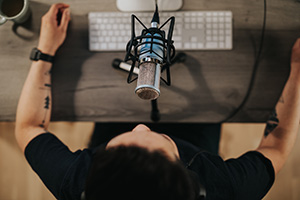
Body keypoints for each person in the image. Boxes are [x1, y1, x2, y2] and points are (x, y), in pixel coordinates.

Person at [15, 3, 300, 200]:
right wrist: (298, 69)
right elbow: (277, 144)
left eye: (118, 148)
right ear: (194, 185)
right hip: (199, 139)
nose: (140, 127)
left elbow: (28, 128)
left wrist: (45, 51)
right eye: (157, 142)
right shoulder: (224, 187)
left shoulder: (74, 181)